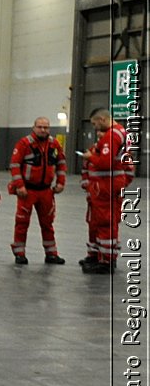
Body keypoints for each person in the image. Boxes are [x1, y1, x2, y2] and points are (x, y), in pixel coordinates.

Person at [8, 116, 66, 266]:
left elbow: (61, 163)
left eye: (46, 127)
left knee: (48, 223)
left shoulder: (54, 144)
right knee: (22, 223)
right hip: (27, 191)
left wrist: (60, 182)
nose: (43, 130)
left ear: (49, 129)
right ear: (34, 127)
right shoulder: (24, 144)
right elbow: (14, 165)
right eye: (40, 127)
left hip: (46, 191)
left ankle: (51, 254)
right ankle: (19, 253)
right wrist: (19, 185)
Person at [82, 107, 132, 274]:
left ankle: (106, 262)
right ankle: (101, 256)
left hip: (106, 186)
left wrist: (90, 157)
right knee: (101, 221)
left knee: (105, 222)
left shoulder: (112, 135)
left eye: (95, 123)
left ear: (102, 120)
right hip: (107, 185)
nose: (95, 127)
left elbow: (105, 163)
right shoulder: (120, 133)